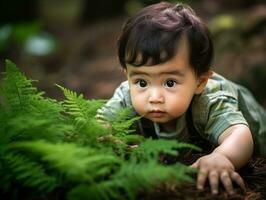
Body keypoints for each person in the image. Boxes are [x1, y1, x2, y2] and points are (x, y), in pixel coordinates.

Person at [96, 1, 266, 195]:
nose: (155, 97)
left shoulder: (210, 99)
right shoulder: (127, 94)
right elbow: (100, 123)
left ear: (200, 81)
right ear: (127, 74)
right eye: (142, 82)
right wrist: (106, 137)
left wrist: (222, 156)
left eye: (170, 83)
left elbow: (240, 135)